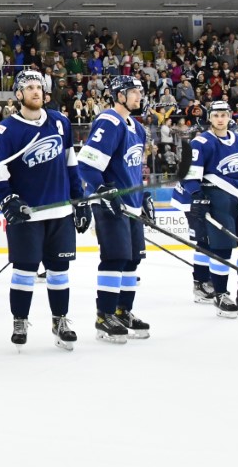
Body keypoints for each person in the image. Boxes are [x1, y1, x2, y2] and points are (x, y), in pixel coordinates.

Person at [0, 70, 85, 351]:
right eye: (29, 87)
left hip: (60, 213)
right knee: (24, 272)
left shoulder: (60, 122)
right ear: (18, 95)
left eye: (39, 87)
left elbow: (71, 164)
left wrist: (80, 199)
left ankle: (60, 319)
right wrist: (7, 199)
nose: (36, 91)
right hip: (26, 216)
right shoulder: (6, 131)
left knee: (59, 271)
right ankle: (20, 319)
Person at [76, 75, 151, 344]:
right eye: (133, 92)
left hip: (131, 204)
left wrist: (144, 198)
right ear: (119, 95)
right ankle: (104, 315)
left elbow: (133, 171)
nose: (138, 97)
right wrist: (101, 189)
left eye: (139, 92)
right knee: (116, 257)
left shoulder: (138, 129)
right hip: (108, 202)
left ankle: (123, 311)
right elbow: (87, 164)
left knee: (132, 259)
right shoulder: (109, 121)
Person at [182, 101, 238, 318]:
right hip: (217, 197)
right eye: (216, 116)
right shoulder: (201, 142)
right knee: (222, 248)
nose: (220, 119)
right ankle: (221, 294)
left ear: (229, 116)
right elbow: (190, 175)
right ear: (210, 118)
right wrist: (197, 196)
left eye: (223, 115)